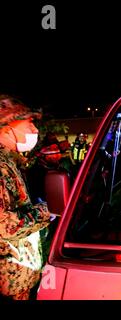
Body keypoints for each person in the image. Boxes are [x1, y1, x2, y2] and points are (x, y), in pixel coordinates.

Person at [0, 94, 51, 300]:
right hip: (7, 285)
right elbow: (5, 225)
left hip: (18, 279)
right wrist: (47, 211)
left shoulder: (10, 162)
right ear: (6, 126)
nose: (35, 130)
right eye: (29, 123)